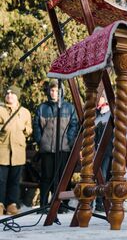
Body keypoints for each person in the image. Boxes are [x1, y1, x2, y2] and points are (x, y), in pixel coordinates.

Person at [33, 80, 77, 213]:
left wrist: (69, 140)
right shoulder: (42, 108)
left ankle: (62, 205)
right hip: (47, 149)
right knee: (46, 177)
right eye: (51, 90)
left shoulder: (69, 107)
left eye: (56, 90)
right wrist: (40, 140)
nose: (54, 93)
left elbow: (74, 125)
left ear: (61, 92)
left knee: (63, 177)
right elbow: (36, 126)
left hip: (63, 148)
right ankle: (43, 205)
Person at [0, 86, 32, 215]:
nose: (9, 95)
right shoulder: (0, 110)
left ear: (17, 96)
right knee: (0, 180)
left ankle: (11, 204)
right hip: (2, 150)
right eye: (7, 93)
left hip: (18, 151)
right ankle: (0, 204)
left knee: (14, 180)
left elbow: (29, 129)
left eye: (12, 93)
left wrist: (24, 129)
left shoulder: (25, 112)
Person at [93, 93, 112, 212]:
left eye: (100, 97)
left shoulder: (109, 112)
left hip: (107, 149)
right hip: (95, 149)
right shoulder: (94, 113)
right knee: (97, 176)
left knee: (104, 176)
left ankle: (103, 202)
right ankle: (98, 202)